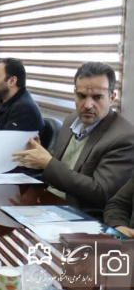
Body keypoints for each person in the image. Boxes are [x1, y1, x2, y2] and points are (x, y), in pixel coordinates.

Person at [12, 62, 134, 213]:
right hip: (48, 202)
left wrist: (47, 163)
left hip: (80, 215)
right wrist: (38, 157)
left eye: (97, 97)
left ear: (112, 97)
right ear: (74, 93)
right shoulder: (71, 119)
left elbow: (101, 193)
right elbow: (62, 166)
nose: (88, 105)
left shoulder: (124, 137)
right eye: (82, 96)